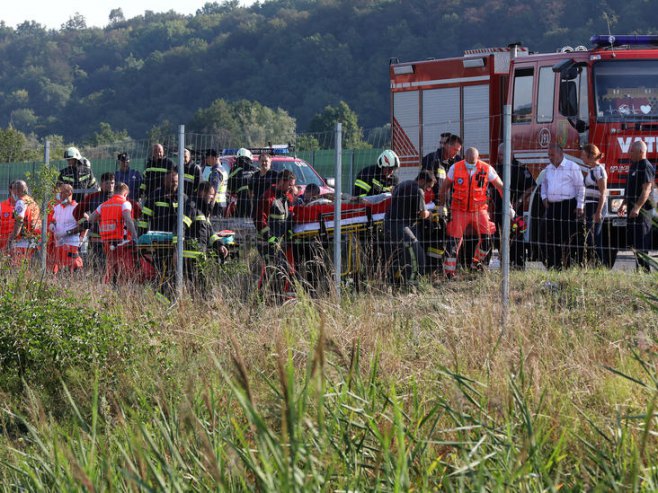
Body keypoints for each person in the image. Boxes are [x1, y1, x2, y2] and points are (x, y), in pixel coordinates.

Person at [437, 147, 510, 278]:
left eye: (473, 161)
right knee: (454, 242)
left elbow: (501, 187)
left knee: (487, 239)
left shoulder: (487, 169)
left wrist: (508, 205)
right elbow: (444, 187)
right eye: (468, 161)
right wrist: (441, 206)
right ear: (464, 158)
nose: (470, 164)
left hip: (479, 209)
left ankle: (476, 264)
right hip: (459, 209)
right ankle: (449, 273)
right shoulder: (456, 168)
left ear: (478, 158)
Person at [141, 160, 191, 297]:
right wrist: (142, 242)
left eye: (176, 182)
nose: (174, 185)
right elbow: (144, 220)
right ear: (164, 181)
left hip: (177, 243)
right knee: (161, 273)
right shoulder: (155, 196)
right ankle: (161, 298)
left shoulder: (184, 198)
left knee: (176, 274)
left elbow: (187, 221)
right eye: (171, 182)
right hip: (159, 243)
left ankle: (172, 298)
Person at [383, 170, 436, 284]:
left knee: (397, 257)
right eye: (428, 186)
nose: (428, 190)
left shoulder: (403, 184)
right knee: (418, 256)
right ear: (422, 180)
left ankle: (393, 283)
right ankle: (412, 284)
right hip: (401, 227)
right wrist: (430, 214)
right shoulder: (418, 191)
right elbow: (422, 214)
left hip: (388, 224)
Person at [540, 143, 585, 269]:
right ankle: (553, 264)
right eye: (549, 155)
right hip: (552, 207)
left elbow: (581, 187)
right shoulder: (548, 169)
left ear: (561, 154)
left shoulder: (572, 167)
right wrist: (544, 198)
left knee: (566, 238)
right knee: (548, 236)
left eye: (552, 155)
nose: (550, 157)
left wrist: (580, 205)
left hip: (568, 206)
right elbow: (543, 186)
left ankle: (567, 264)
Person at [254, 169, 297, 301]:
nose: (292, 188)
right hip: (266, 242)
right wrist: (272, 239)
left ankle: (273, 299)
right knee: (275, 268)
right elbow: (259, 221)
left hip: (280, 243)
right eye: (290, 184)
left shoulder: (287, 197)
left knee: (280, 269)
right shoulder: (268, 197)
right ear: (281, 182)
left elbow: (289, 218)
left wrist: (289, 233)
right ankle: (263, 298)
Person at [87, 182, 139, 284]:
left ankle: (108, 288)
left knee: (110, 267)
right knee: (124, 269)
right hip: (123, 242)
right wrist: (135, 237)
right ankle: (121, 291)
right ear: (125, 194)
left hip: (106, 242)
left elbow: (91, 220)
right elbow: (128, 220)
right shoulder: (125, 203)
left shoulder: (103, 205)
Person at [493, 143, 536, 267]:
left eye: (502, 154)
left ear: (510, 153)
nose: (500, 157)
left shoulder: (520, 167)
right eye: (499, 155)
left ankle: (518, 262)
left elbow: (531, 186)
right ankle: (504, 263)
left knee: (516, 234)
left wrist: (520, 201)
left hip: (516, 209)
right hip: (499, 209)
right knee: (501, 236)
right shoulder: (497, 168)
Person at [184, 181, 230, 291]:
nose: (213, 198)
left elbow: (210, 232)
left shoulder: (203, 209)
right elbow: (181, 226)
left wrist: (219, 245)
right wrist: (177, 248)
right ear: (202, 193)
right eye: (211, 194)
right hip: (189, 255)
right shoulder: (192, 206)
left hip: (200, 254)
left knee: (200, 287)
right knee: (195, 286)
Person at [618, 140, 655, 272]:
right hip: (632, 210)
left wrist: (637, 208)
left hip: (643, 212)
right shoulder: (634, 165)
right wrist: (624, 204)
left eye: (632, 151)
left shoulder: (646, 166)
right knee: (633, 242)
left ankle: (645, 271)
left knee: (641, 242)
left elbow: (646, 190)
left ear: (641, 151)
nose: (629, 153)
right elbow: (629, 188)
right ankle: (638, 270)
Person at [74, 172, 116, 272]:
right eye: (107, 183)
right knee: (98, 267)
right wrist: (85, 222)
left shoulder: (118, 198)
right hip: (97, 239)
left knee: (115, 267)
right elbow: (76, 212)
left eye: (112, 183)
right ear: (101, 184)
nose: (110, 186)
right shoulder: (93, 197)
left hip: (115, 240)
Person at [581, 144, 608, 265]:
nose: (581, 157)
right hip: (589, 205)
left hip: (596, 206)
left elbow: (603, 193)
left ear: (590, 155)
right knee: (590, 237)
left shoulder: (599, 170)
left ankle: (600, 263)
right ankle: (594, 263)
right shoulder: (591, 170)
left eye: (583, 155)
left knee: (595, 237)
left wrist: (598, 212)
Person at [49, 184, 83, 274]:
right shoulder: (57, 208)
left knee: (71, 267)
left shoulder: (76, 207)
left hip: (71, 243)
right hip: (59, 243)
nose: (60, 195)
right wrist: (52, 225)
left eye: (62, 192)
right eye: (60, 193)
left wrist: (67, 233)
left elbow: (84, 225)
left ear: (69, 193)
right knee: (60, 267)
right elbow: (54, 220)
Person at [7, 180, 41, 266]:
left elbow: (19, 221)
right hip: (33, 239)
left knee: (19, 268)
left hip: (22, 241)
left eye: (13, 190)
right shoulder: (32, 202)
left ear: (16, 191)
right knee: (29, 268)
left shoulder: (20, 202)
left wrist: (12, 237)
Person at [422, 134, 462, 205]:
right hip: (435, 203)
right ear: (447, 145)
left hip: (453, 203)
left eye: (458, 150)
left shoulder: (458, 161)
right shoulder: (431, 159)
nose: (456, 153)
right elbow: (426, 181)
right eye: (455, 150)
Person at [228, 147, 258, 217]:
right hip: (255, 202)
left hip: (241, 202)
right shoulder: (256, 170)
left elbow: (230, 189)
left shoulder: (234, 170)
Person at [0, 181, 16, 252]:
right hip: (3, 245)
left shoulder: (26, 207)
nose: (17, 192)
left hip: (19, 244)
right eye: (15, 189)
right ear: (10, 190)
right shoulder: (2, 206)